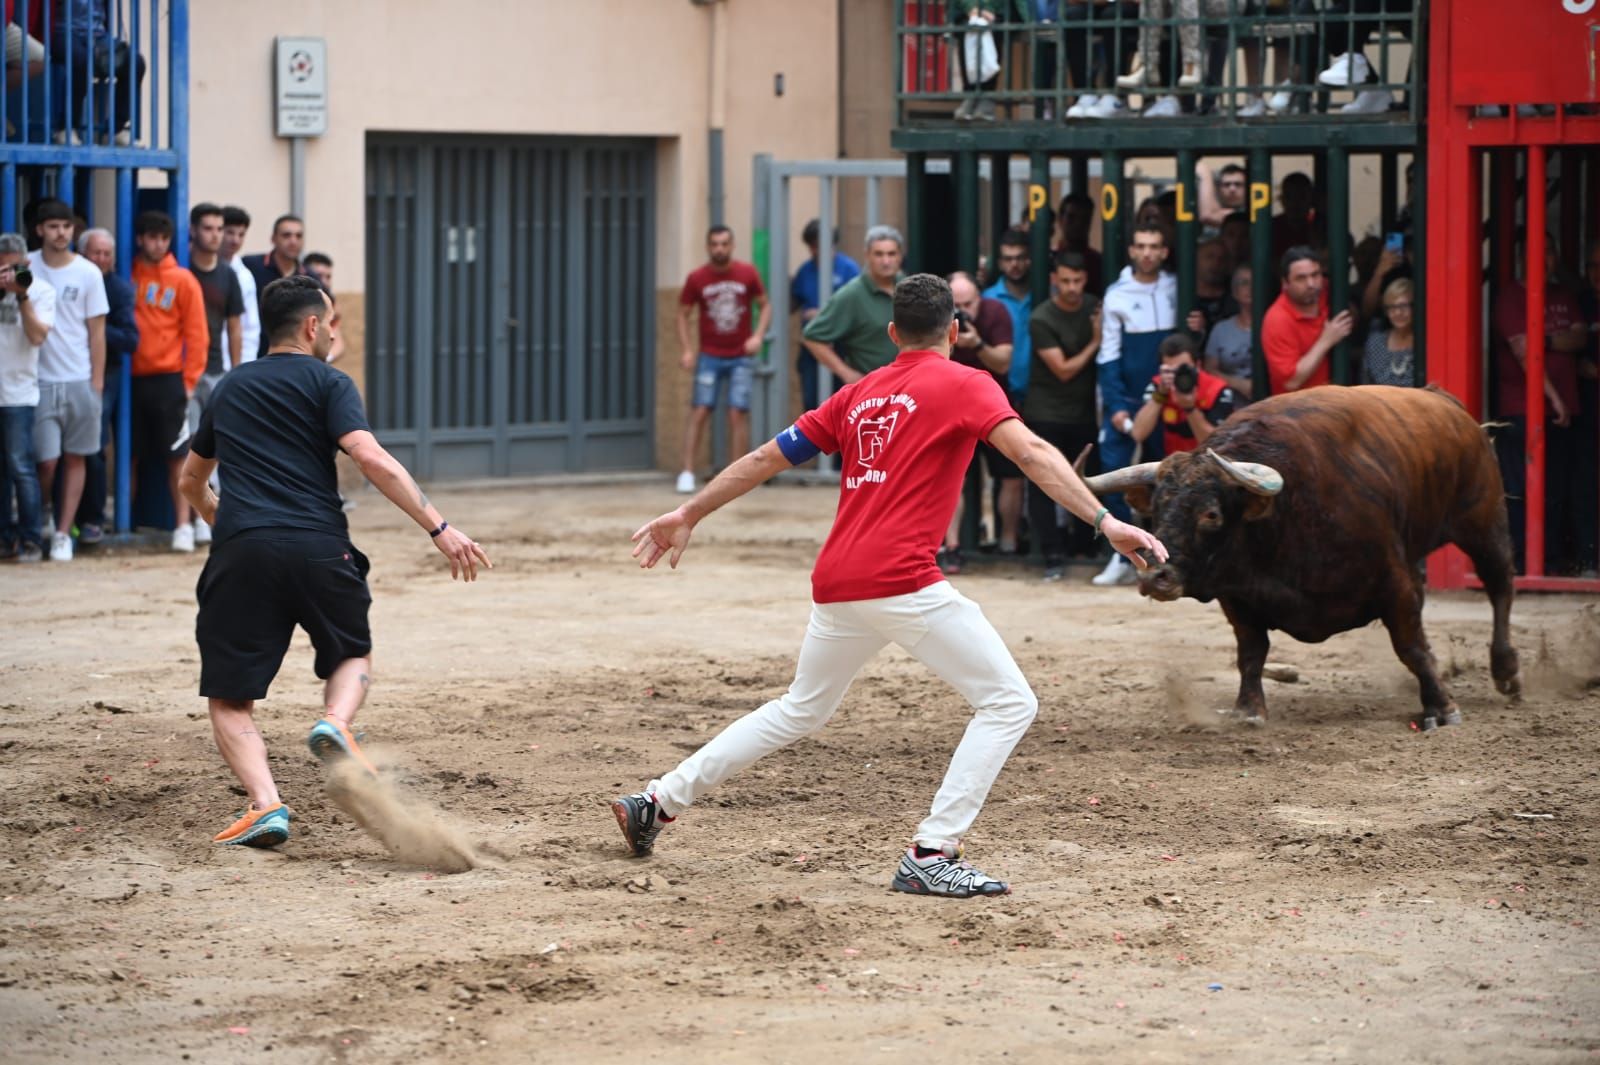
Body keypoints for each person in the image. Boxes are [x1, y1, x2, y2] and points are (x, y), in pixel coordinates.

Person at [614, 273, 1167, 898]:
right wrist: (1106, 520)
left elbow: (765, 458)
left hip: (839, 579)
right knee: (1010, 702)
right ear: (955, 331)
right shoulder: (967, 383)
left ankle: (656, 800)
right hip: (901, 580)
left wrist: (688, 513)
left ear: (892, 333)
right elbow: (1033, 454)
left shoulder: (858, 394)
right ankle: (932, 851)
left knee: (800, 708)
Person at [178, 275, 491, 848]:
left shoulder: (228, 388)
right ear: (313, 325)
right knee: (350, 651)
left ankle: (267, 806)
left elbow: (191, 481)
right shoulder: (329, 382)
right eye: (333, 321)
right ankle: (335, 723)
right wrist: (440, 529)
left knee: (229, 698)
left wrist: (234, 527)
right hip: (320, 544)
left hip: (242, 550)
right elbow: (371, 458)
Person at [1492, 245, 1587, 574]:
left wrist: (1543, 340)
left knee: (1558, 486)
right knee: (1520, 488)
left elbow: (1580, 339)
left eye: (1549, 254)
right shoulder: (1510, 298)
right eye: (1536, 253)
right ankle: (1521, 563)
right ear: (1522, 258)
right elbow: (1522, 352)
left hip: (1565, 409)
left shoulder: (1564, 295)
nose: (1544, 261)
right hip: (1522, 410)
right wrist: (1553, 396)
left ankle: (1551, 560)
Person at [1095, 223, 1177, 586]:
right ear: (1131, 250)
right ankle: (1121, 555)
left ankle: (1168, 555)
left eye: (1154, 245)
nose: (1147, 252)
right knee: (1112, 466)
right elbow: (1109, 352)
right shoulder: (1117, 294)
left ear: (1164, 251)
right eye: (1141, 245)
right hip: (1128, 396)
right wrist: (1115, 403)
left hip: (1169, 395)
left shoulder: (1177, 285)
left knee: (1171, 474)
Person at [27, 198, 107, 562]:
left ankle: (63, 532)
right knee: (45, 461)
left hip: (79, 378)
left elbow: (97, 332)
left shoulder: (88, 272)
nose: (61, 233)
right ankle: (42, 511)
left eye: (67, 226)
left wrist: (97, 383)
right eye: (53, 226)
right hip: (37, 379)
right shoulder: (27, 265)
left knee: (77, 458)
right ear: (40, 230)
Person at [129, 210, 208, 552]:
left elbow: (197, 335)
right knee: (129, 452)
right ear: (140, 239)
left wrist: (189, 381)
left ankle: (183, 525)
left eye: (163, 238)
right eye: (151, 237)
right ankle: (126, 520)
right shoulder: (129, 274)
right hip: (133, 379)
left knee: (177, 454)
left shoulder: (183, 280)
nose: (157, 244)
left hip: (169, 379)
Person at [674, 225, 770, 494]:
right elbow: (682, 313)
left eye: (724, 243)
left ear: (732, 245)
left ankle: (734, 479)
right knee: (700, 410)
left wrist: (758, 336)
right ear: (708, 247)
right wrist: (686, 349)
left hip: (740, 355)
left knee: (737, 412)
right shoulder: (697, 278)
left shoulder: (747, 273)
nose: (719, 249)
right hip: (709, 355)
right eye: (715, 244)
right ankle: (687, 472)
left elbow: (765, 304)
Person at [1025, 251, 1101, 580]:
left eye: (1078, 280)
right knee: (1045, 483)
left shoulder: (1094, 307)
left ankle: (1084, 545)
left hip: (1083, 413)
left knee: (1087, 478)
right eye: (1065, 281)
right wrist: (1096, 340)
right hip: (1047, 411)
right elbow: (1064, 369)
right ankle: (1052, 554)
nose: (1072, 288)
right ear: (1055, 279)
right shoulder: (1042, 317)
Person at [943, 272, 1015, 570]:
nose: (963, 310)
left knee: (1012, 474)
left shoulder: (995, 311)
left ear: (980, 298)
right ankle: (952, 547)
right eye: (956, 304)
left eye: (968, 303)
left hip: (991, 403)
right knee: (950, 480)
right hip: (949, 407)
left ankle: (1009, 543)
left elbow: (1003, 360)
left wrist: (977, 343)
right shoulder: (938, 319)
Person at [72, 227, 137, 542]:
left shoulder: (119, 289)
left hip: (105, 373)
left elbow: (130, 340)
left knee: (95, 447)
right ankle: (62, 516)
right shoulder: (69, 278)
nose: (101, 259)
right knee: (59, 449)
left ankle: (92, 518)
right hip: (65, 370)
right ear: (82, 254)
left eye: (106, 254)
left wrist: (95, 327)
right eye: (96, 253)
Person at [185, 202, 245, 546]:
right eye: (208, 228)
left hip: (218, 369)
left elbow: (234, 328)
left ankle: (211, 516)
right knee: (193, 444)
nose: (215, 235)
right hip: (186, 370)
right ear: (193, 230)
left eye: (218, 229)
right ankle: (194, 519)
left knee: (222, 445)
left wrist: (235, 374)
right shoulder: (182, 271)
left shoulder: (229, 274)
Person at [0, 233, 56, 563]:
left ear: (27, 264)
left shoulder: (41, 291)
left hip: (19, 393)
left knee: (21, 468)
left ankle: (32, 539)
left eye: (14, 268)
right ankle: (4, 540)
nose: (7, 275)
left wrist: (21, 296)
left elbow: (36, 337)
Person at [802, 225, 904, 383]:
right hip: (872, 390)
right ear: (867, 255)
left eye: (891, 254)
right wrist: (846, 373)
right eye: (879, 254)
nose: (886, 261)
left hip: (908, 385)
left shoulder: (909, 287)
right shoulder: (852, 294)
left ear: (900, 256)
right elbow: (812, 336)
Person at [48, 0, 146, 143]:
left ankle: (116, 129)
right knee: (81, 59)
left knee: (135, 62)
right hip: (61, 30)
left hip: (98, 35)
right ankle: (66, 128)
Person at [789, 219, 861, 412]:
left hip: (842, 347)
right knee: (812, 403)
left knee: (843, 402)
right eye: (811, 246)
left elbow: (857, 307)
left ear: (832, 244)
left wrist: (822, 315)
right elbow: (792, 303)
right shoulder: (806, 270)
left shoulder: (849, 269)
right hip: (811, 347)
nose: (815, 251)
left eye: (818, 246)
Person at [1262, 246, 1352, 394]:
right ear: (1285, 283)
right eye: (1301, 278)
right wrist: (1326, 340)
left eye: (1315, 275)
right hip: (1296, 410)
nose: (1311, 284)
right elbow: (1291, 381)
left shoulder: (1326, 292)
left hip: (1336, 399)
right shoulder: (1277, 319)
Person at [1130, 331, 1237, 453]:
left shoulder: (1218, 390)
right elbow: (1137, 434)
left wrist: (1190, 409)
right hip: (1170, 462)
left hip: (1206, 462)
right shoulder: (1159, 385)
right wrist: (1159, 395)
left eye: (1183, 369)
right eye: (1171, 371)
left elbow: (1216, 446)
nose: (1178, 376)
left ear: (1197, 365)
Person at [245, 215, 308, 358]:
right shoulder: (250, 266)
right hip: (254, 355)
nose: (293, 241)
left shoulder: (310, 277)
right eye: (287, 235)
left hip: (294, 359)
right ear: (273, 238)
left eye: (299, 236)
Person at [951, 0, 1022, 121]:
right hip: (968, 14)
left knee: (993, 30)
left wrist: (989, 14)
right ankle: (970, 95)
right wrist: (972, 10)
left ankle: (987, 98)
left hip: (1001, 12)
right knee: (968, 28)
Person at [1203, 265, 1254, 401]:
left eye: (1255, 282)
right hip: (1229, 404)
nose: (1251, 288)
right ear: (1234, 292)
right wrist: (1239, 384)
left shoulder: (1272, 323)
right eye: (1244, 283)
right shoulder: (1221, 329)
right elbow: (1209, 370)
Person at [218, 206, 260, 371]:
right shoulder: (199, 268)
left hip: (232, 366)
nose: (235, 240)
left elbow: (250, 328)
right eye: (230, 232)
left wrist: (244, 368)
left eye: (241, 234)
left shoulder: (245, 277)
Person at [1361, 276, 1417, 387]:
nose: (1398, 312)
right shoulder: (1376, 343)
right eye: (1391, 307)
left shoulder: (1425, 342)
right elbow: (1365, 385)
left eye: (1403, 306)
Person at [1183, 237, 1237, 343]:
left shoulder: (1235, 297)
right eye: (1209, 257)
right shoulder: (1182, 293)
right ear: (1196, 259)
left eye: (1222, 259)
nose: (1216, 263)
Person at [1051, 194, 1104, 294]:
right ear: (1060, 219)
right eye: (1071, 217)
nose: (1078, 224)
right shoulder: (1049, 259)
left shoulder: (1098, 263)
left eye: (1084, 219)